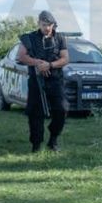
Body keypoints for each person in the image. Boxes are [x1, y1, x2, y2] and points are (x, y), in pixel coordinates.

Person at [17, 10, 69, 152]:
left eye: (50, 25)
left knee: (61, 110)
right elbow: (21, 56)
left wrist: (50, 65)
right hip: (36, 80)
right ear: (38, 23)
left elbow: (65, 58)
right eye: (44, 24)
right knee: (35, 114)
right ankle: (36, 145)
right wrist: (38, 63)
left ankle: (53, 140)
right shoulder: (29, 38)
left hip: (55, 79)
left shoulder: (59, 38)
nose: (47, 28)